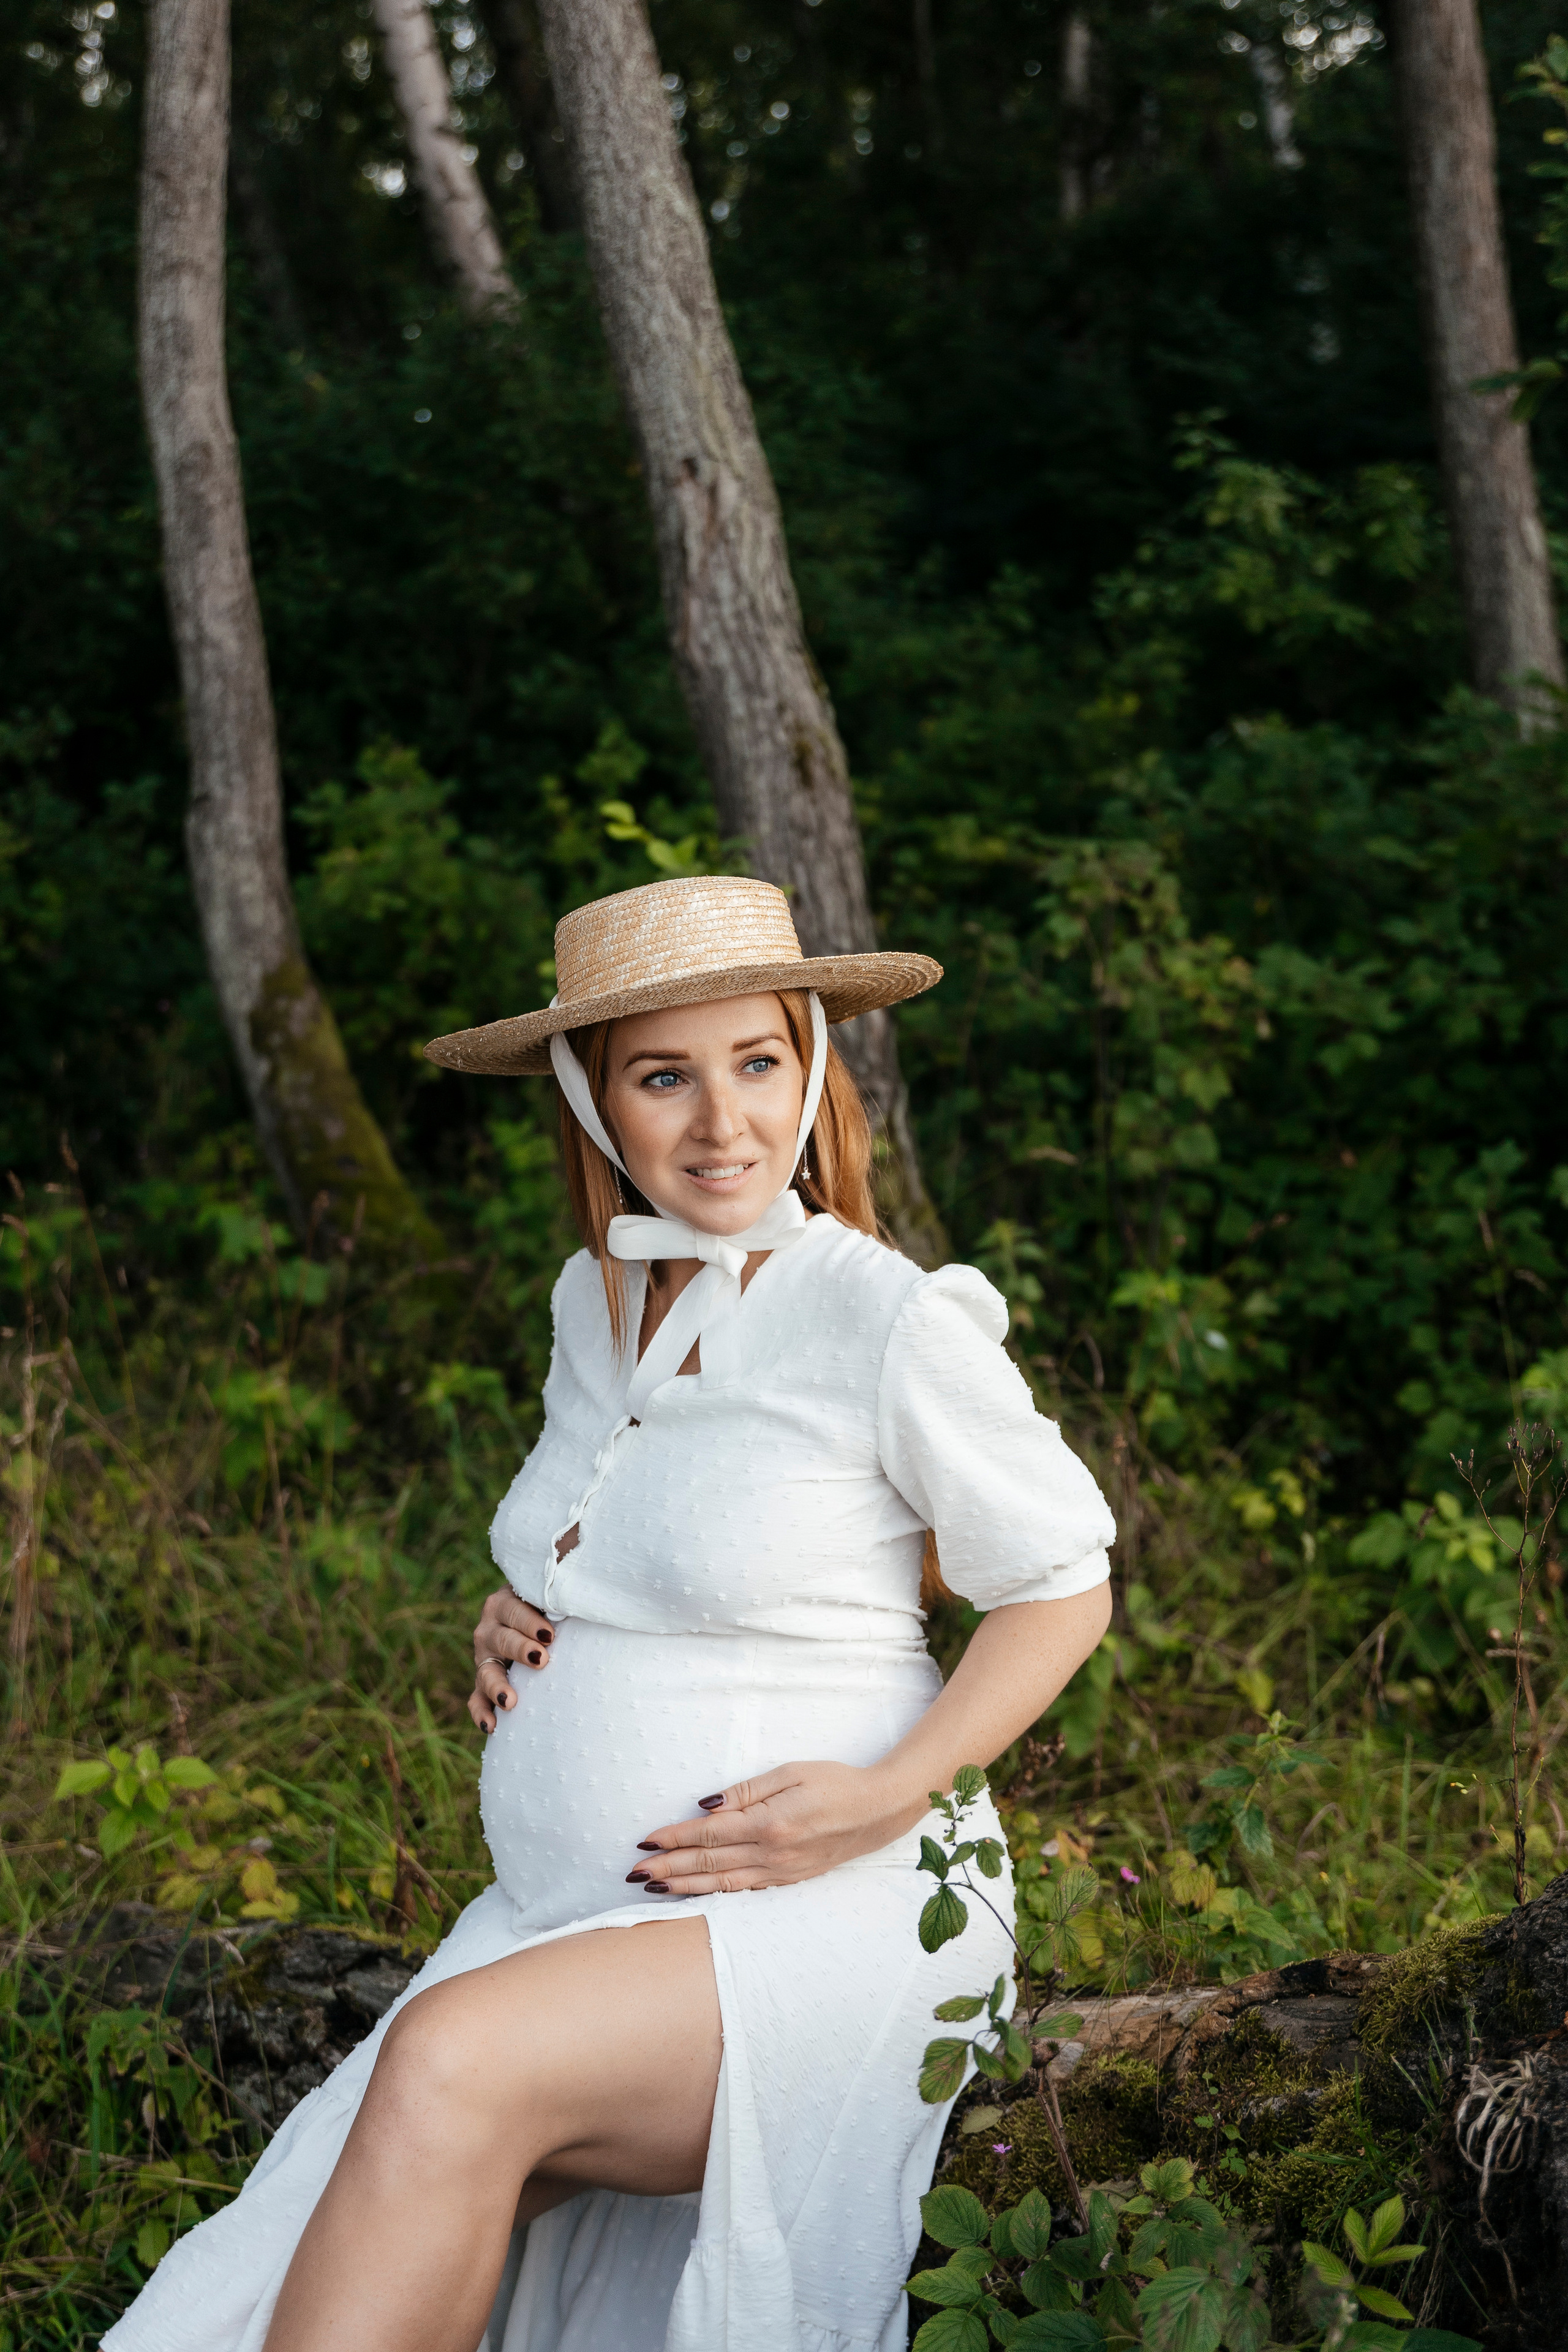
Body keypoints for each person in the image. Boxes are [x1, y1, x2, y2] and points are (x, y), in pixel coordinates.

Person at [102, 873, 1114, 2352]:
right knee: (330, 2209)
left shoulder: (881, 1314)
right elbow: (621, 1537)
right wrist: (528, 1611)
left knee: (445, 2065)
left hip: (830, 1908)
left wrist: (886, 1796)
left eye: (756, 1062)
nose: (723, 1123)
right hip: (570, 1915)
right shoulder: (593, 1302)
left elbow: (1059, 1583)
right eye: (663, 1077)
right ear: (591, 1100)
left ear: (810, 1067)